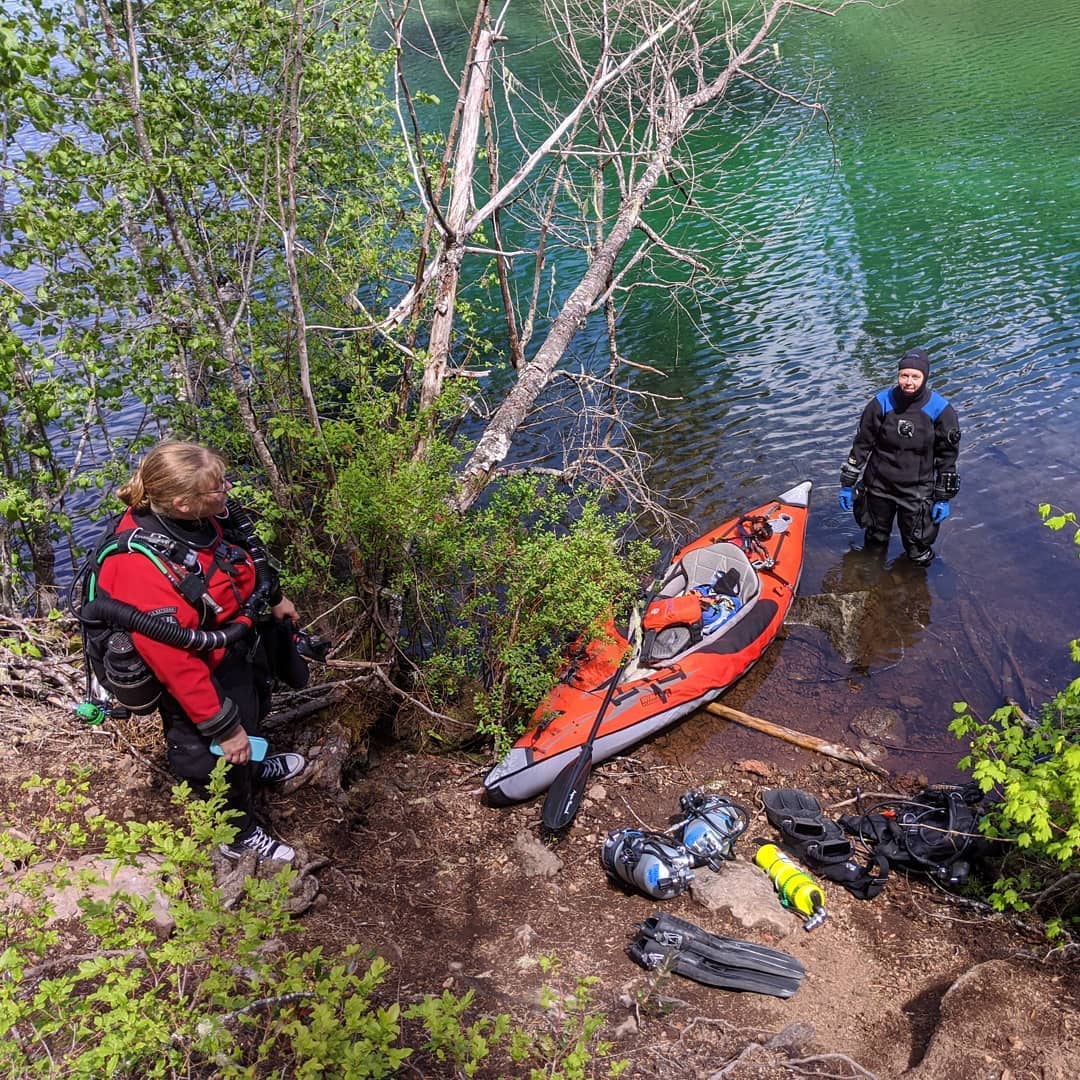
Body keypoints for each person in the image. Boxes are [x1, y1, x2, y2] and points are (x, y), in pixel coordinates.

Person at [91, 441, 305, 862]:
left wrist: (274, 597)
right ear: (182, 503)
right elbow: (176, 663)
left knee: (251, 715)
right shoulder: (138, 567)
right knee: (211, 754)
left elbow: (243, 555)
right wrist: (223, 728)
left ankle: (253, 765)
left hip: (234, 646)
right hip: (199, 675)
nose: (227, 491)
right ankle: (237, 832)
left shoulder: (202, 517)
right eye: (217, 487)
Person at [838, 347, 961, 566]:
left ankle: (918, 584)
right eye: (904, 375)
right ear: (898, 375)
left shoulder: (941, 410)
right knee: (875, 540)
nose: (909, 382)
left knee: (917, 548)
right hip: (878, 485)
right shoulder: (881, 403)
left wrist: (943, 497)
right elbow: (861, 445)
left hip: (917, 489)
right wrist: (848, 483)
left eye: (915, 376)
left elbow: (947, 457)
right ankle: (870, 580)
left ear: (925, 377)